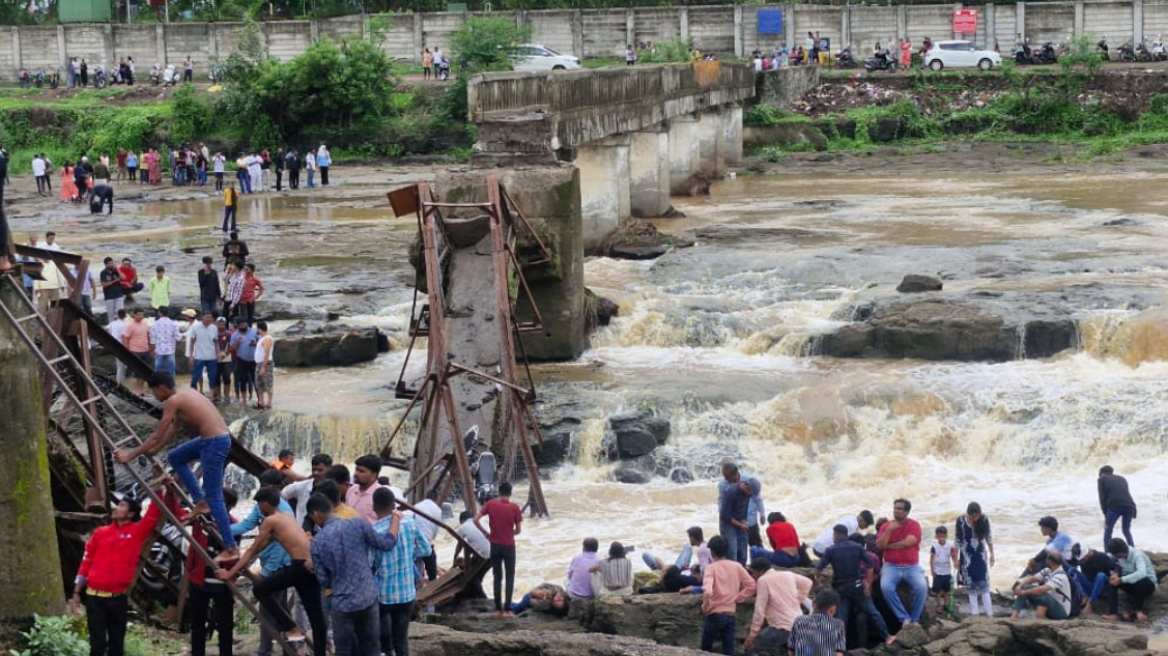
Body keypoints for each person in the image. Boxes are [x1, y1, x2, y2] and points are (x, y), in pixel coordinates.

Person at [115, 372, 239, 562]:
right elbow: (173, 429)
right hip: (214, 440)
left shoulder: (173, 401)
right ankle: (200, 502)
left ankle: (231, 548)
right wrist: (155, 450)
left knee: (214, 497)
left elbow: (157, 434)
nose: (154, 396)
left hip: (214, 443)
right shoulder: (185, 393)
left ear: (161, 388)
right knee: (176, 457)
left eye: (153, 391)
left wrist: (130, 455)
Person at [215, 489, 328, 655]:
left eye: (259, 505)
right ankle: (320, 652)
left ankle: (290, 627)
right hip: (311, 567)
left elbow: (252, 550)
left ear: (265, 504)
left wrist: (229, 573)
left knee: (260, 589)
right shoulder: (287, 516)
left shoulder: (270, 520)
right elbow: (266, 543)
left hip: (298, 567)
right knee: (316, 616)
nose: (258, 508)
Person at [71, 483, 176, 656]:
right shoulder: (100, 533)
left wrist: (158, 486)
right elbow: (87, 561)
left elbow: (152, 515)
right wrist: (76, 592)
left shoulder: (136, 533)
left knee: (116, 645)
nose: (116, 508)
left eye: (121, 506)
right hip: (94, 597)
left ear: (131, 514)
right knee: (96, 645)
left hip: (117, 599)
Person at [309, 491, 400, 656]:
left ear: (316, 514)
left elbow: (323, 581)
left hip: (342, 604)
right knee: (372, 648)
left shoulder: (317, 541)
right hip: (367, 597)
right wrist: (395, 519)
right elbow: (386, 544)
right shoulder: (357, 524)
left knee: (343, 650)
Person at [373, 487, 431, 656]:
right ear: (394, 506)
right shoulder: (410, 524)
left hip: (383, 595)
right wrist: (408, 554)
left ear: (373, 507)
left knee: (384, 642)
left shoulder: (374, 531)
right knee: (401, 640)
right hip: (407, 593)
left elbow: (371, 563)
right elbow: (426, 550)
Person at [815, 524, 893, 647]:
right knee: (873, 613)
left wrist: (819, 584)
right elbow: (870, 565)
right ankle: (887, 637)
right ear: (846, 535)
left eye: (834, 535)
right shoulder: (857, 547)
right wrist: (868, 583)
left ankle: (838, 646)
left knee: (841, 619)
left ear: (836, 534)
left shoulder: (830, 550)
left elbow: (818, 569)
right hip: (858, 587)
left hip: (841, 590)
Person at [185, 488, 238, 656]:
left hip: (222, 581)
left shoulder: (234, 525)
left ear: (230, 506)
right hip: (200, 579)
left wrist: (216, 530)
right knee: (197, 623)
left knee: (225, 625)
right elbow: (179, 515)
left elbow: (231, 550)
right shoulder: (201, 518)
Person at [876, 498, 927, 629]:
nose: (896, 511)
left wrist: (890, 546)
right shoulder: (886, 526)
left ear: (907, 512)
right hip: (891, 565)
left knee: (921, 587)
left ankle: (915, 619)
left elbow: (909, 542)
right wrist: (889, 531)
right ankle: (904, 618)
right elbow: (880, 545)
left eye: (899, 509)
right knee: (886, 587)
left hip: (911, 566)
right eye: (895, 508)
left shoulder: (914, 525)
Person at [700, 535, 756, 655]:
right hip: (731, 613)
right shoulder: (736, 566)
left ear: (712, 551)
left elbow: (708, 592)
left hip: (715, 614)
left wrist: (705, 608)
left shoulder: (711, 568)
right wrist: (739, 598)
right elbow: (752, 585)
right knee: (729, 649)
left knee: (705, 648)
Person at [474, 480, 523, 617]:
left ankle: (497, 609)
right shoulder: (514, 508)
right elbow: (518, 530)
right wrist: (509, 532)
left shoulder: (491, 504)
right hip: (509, 546)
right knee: (510, 577)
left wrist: (486, 533)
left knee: (497, 577)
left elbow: (475, 520)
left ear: (499, 492)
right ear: (510, 493)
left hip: (494, 545)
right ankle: (507, 610)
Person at [745, 557, 812, 655]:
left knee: (752, 648)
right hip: (798, 624)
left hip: (781, 627)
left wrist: (752, 635)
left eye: (753, 573)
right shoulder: (787, 574)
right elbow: (807, 583)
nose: (753, 576)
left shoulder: (763, 580)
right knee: (786, 651)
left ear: (760, 571)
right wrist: (798, 600)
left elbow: (759, 610)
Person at [955, 502, 995, 617]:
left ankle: (990, 613)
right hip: (966, 554)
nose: (974, 519)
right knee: (970, 584)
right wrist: (955, 558)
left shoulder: (984, 519)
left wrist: (992, 553)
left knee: (983, 583)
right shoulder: (961, 521)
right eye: (972, 516)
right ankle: (975, 614)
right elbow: (957, 540)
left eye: (977, 516)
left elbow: (988, 537)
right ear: (968, 514)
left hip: (980, 554)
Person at [1103, 538, 1157, 622]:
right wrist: (1116, 575)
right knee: (1112, 581)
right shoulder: (1120, 557)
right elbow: (1119, 566)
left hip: (1147, 585)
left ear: (1119, 552)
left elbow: (1142, 573)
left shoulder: (1137, 555)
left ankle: (1138, 610)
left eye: (1114, 554)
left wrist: (1121, 579)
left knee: (1140, 580)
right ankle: (1113, 613)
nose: (1113, 556)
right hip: (1132, 584)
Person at [719, 462, 760, 566]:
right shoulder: (731, 493)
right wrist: (740, 525)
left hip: (740, 521)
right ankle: (732, 575)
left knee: (743, 552)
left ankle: (742, 571)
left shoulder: (747, 491)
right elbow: (724, 516)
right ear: (746, 487)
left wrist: (743, 520)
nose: (750, 496)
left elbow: (744, 508)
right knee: (732, 552)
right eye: (750, 494)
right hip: (728, 523)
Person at [1010, 551, 1072, 620]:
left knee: (1044, 596)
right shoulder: (1048, 571)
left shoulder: (1060, 576)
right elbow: (1032, 579)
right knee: (1025, 587)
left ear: (1049, 561)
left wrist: (1023, 592)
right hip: (1051, 604)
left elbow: (1042, 590)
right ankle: (1014, 615)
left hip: (1061, 611)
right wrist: (1020, 586)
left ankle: (1040, 618)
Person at [790, 589, 846, 656]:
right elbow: (838, 654)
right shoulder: (837, 624)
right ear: (832, 609)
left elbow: (791, 651)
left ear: (814, 604)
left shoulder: (799, 621)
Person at [641, 526, 712, 578]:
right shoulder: (706, 545)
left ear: (693, 538)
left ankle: (664, 568)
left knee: (688, 546)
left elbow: (704, 569)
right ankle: (664, 568)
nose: (689, 540)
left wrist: (694, 575)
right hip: (677, 570)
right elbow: (706, 564)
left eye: (690, 537)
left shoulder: (701, 550)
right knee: (646, 555)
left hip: (675, 573)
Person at [1098, 466, 1137, 547]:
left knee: (1108, 530)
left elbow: (1102, 498)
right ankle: (1133, 549)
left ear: (1101, 473)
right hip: (1130, 506)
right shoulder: (1122, 478)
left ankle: (1107, 554)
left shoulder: (1102, 479)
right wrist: (1134, 510)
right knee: (1126, 530)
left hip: (1114, 506)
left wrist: (1106, 515)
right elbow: (1126, 494)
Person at [412, 490, 443, 581]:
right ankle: (432, 581)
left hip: (413, 540)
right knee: (431, 563)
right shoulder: (437, 510)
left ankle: (416, 580)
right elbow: (436, 529)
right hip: (425, 542)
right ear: (436, 499)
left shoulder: (416, 506)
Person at [345, 454, 385, 523]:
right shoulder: (351, 490)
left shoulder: (381, 495)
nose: (356, 474)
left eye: (361, 471)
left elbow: (386, 522)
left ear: (374, 474)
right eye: (356, 470)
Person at [188, 311, 220, 398]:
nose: (209, 319)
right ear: (202, 317)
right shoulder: (196, 327)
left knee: (212, 376)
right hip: (199, 356)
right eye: (207, 317)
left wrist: (218, 353)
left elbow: (216, 342)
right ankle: (193, 392)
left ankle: (212, 393)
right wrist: (191, 356)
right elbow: (192, 342)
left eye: (210, 317)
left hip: (211, 356)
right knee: (196, 375)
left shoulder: (214, 328)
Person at [229, 316, 258, 407]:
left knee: (256, 380)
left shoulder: (253, 331)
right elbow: (231, 349)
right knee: (243, 381)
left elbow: (261, 343)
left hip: (254, 360)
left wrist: (255, 343)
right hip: (241, 360)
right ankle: (244, 400)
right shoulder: (235, 335)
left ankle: (259, 399)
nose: (243, 326)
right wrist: (237, 342)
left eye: (245, 324)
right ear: (238, 326)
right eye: (241, 325)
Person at [1076, 547, 1114, 615]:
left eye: (1083, 560)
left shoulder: (1102, 556)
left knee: (1100, 575)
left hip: (1104, 587)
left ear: (1087, 555)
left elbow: (1114, 568)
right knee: (1072, 570)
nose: (1082, 562)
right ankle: (1084, 597)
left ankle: (1090, 603)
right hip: (1092, 586)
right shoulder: (1083, 562)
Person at [930, 526, 957, 615]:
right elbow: (932, 559)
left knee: (946, 590)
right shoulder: (934, 547)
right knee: (938, 590)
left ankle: (946, 604)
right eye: (939, 536)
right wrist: (932, 570)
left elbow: (953, 556)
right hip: (938, 571)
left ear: (946, 536)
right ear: (936, 536)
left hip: (947, 572)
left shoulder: (950, 546)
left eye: (943, 536)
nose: (941, 538)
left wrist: (955, 562)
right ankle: (939, 604)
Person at [149, 306, 182, 378]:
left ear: (159, 313)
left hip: (159, 350)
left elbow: (152, 340)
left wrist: (152, 350)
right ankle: (172, 385)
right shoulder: (173, 324)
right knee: (171, 369)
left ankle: (158, 385)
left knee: (158, 368)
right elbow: (178, 338)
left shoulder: (155, 324)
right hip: (170, 350)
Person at [254, 320, 275, 409]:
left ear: (259, 329)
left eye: (257, 328)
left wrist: (263, 366)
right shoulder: (262, 338)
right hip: (259, 364)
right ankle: (261, 402)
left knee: (268, 382)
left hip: (266, 364)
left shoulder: (268, 338)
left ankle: (269, 403)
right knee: (259, 383)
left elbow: (267, 353)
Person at [215, 317, 234, 404]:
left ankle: (227, 395)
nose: (221, 325)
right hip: (215, 357)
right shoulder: (214, 334)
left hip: (227, 357)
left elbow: (231, 346)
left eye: (223, 323)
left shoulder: (229, 334)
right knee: (216, 377)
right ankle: (218, 396)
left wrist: (225, 354)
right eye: (219, 323)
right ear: (216, 324)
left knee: (226, 377)